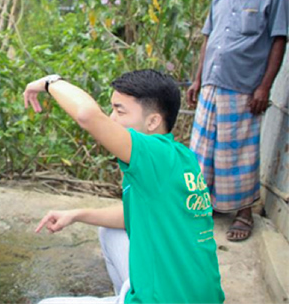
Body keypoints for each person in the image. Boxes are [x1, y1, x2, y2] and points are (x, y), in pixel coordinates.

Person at [26, 70, 225, 303]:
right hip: (198, 296)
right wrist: (77, 214)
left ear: (153, 121)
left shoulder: (152, 154)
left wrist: (50, 82)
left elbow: (87, 116)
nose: (111, 119)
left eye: (119, 111)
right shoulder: (182, 157)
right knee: (109, 230)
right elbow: (132, 214)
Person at [187, 0, 288, 242]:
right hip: (212, 88)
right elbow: (209, 41)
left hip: (244, 89)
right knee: (202, 151)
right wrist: (197, 79)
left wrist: (264, 88)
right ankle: (208, 204)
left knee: (237, 153)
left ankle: (244, 212)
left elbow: (278, 41)